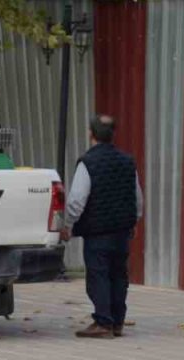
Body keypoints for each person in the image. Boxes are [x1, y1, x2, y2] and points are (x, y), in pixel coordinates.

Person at [61, 114, 144, 339]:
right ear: (112, 134)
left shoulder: (88, 162)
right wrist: (134, 221)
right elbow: (136, 197)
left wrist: (67, 225)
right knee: (119, 276)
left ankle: (103, 322)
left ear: (91, 134)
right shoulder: (128, 161)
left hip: (98, 232)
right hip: (122, 231)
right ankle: (117, 322)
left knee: (98, 276)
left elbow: (77, 199)